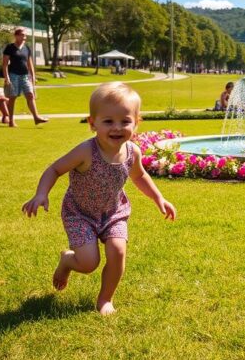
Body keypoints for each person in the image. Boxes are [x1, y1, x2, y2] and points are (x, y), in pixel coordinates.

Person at [22, 82, 176, 316]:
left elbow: (140, 176)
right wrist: (41, 193)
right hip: (80, 214)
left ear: (137, 122)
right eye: (108, 121)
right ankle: (67, 261)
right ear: (92, 123)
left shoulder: (132, 152)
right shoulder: (86, 151)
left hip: (114, 213)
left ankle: (105, 299)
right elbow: (55, 169)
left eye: (125, 121)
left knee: (118, 252)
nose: (117, 127)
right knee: (88, 263)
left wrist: (159, 199)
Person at [2, 28, 49, 127]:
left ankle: (36, 118)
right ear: (16, 36)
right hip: (13, 75)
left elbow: (30, 63)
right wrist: (7, 78)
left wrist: (33, 76)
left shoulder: (27, 48)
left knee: (30, 95)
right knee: (12, 98)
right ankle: (10, 121)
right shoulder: (10, 47)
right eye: (22, 35)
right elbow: (5, 64)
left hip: (25, 76)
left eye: (25, 35)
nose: (24, 37)